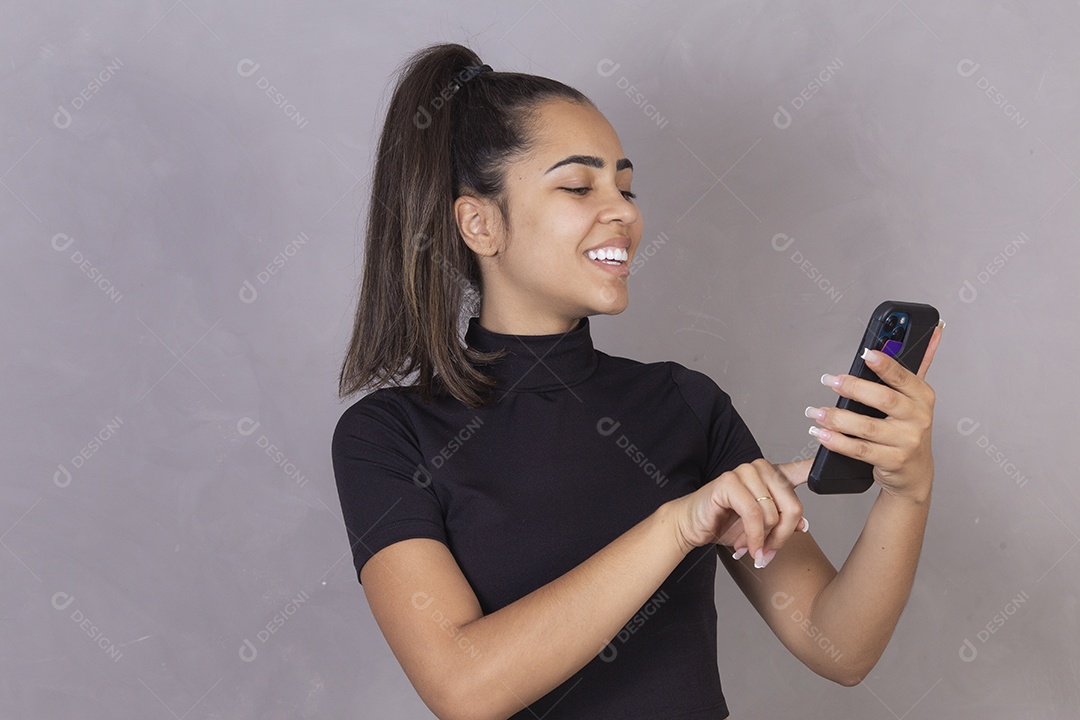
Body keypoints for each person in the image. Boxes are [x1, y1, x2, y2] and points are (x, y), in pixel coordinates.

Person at [331, 42, 944, 720]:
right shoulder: (389, 436)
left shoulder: (685, 405)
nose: (623, 211)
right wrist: (677, 525)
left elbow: (841, 648)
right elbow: (465, 689)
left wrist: (907, 491)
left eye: (625, 187)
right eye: (578, 186)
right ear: (480, 223)